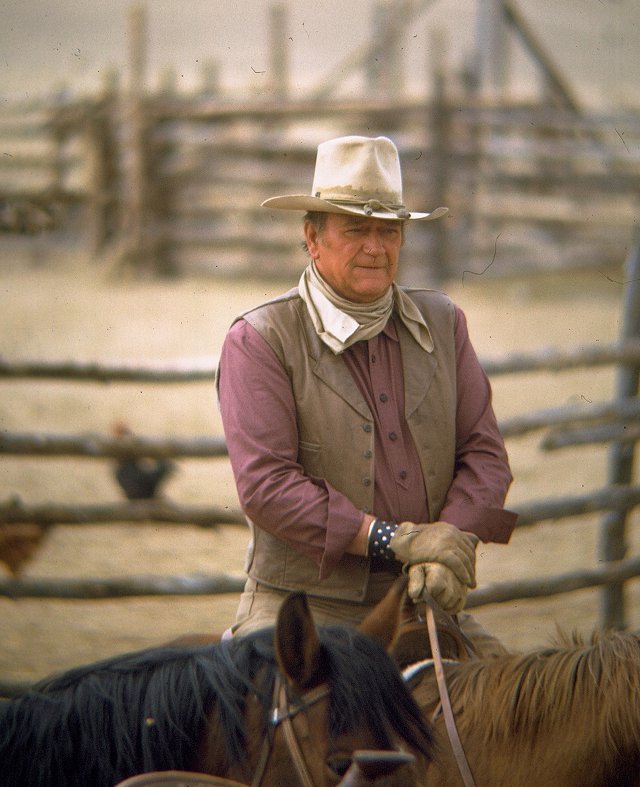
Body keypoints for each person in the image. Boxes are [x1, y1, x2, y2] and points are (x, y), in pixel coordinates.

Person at [217, 135, 517, 653]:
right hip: (302, 608)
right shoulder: (261, 339)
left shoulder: (444, 324)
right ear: (312, 238)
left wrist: (449, 546)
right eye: (356, 230)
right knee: (271, 718)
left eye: (388, 232)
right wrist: (399, 540)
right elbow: (266, 486)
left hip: (419, 597)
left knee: (515, 724)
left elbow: (485, 455)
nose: (375, 248)